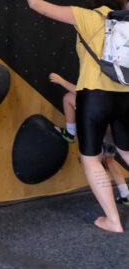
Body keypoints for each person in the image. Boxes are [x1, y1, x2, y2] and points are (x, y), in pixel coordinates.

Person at [19, 0, 129, 232]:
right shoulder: (124, 23)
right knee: (127, 152)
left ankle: (114, 220)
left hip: (95, 97)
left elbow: (36, 4)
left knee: (92, 157)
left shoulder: (84, 16)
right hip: (125, 96)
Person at [49, 72, 129, 206]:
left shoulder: (97, 71)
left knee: (68, 97)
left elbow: (82, 93)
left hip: (101, 115)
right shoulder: (117, 73)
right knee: (109, 160)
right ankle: (125, 193)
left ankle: (70, 132)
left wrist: (61, 81)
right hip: (115, 119)